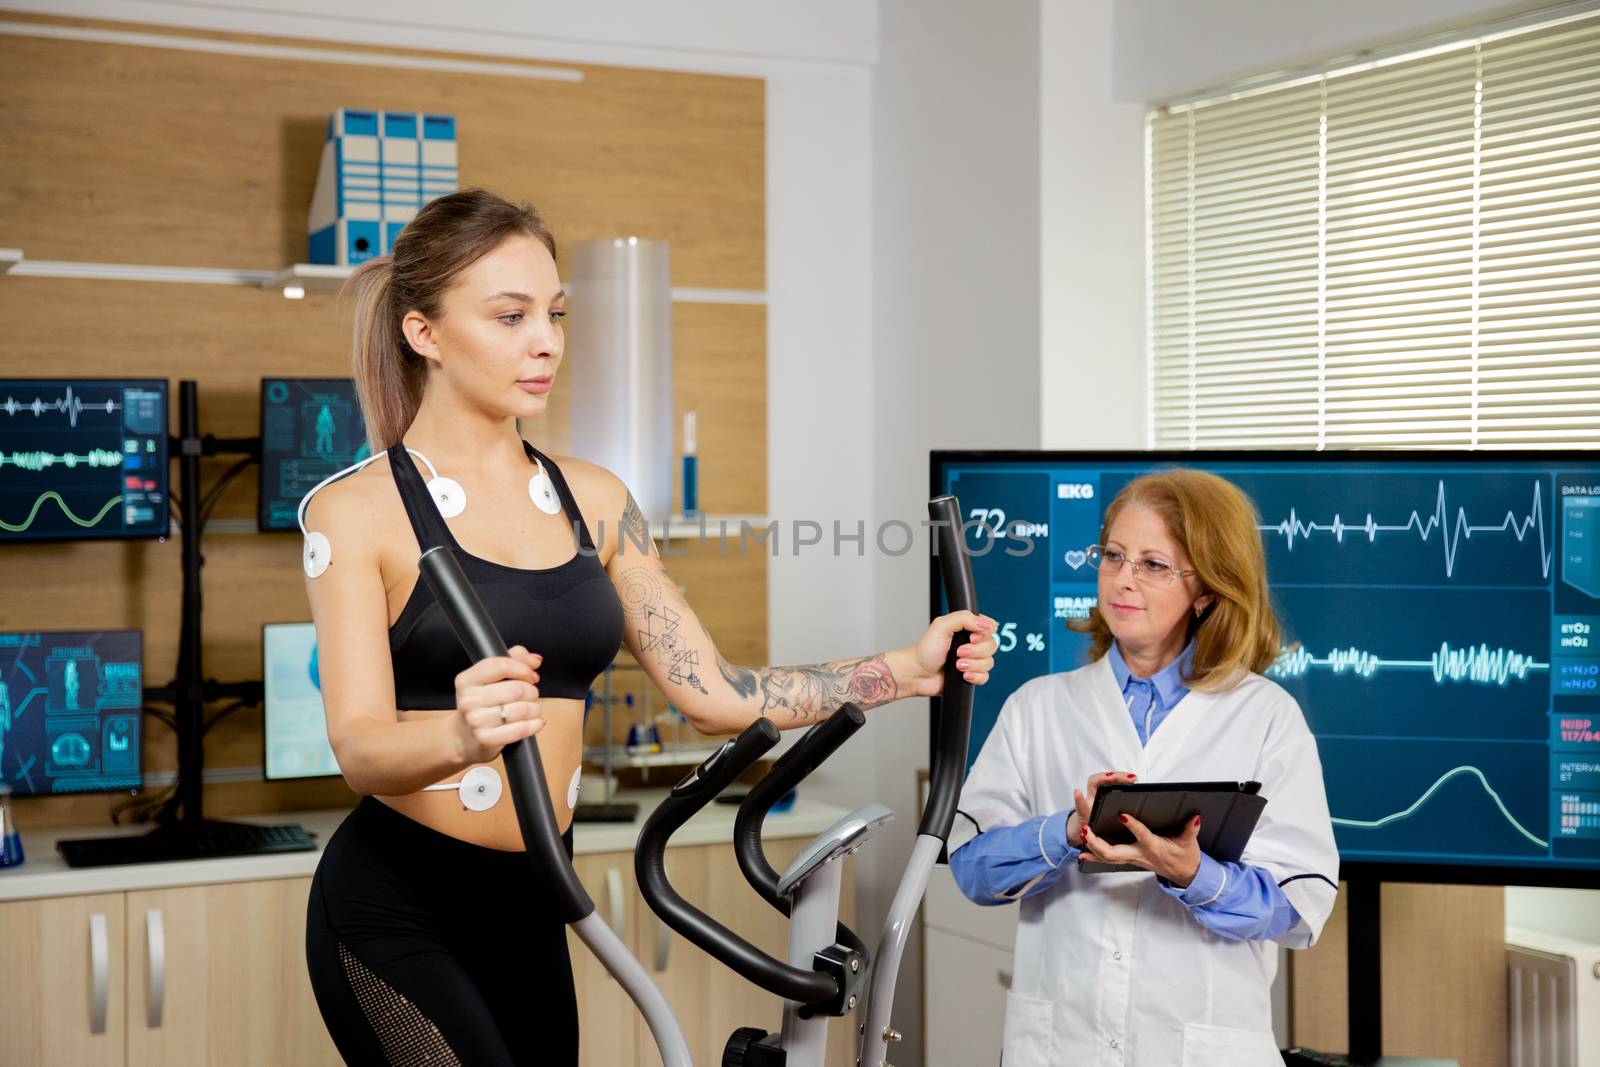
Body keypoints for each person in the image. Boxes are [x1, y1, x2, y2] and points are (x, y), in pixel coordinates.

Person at [299, 187, 998, 1066]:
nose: (546, 340)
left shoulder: (594, 497)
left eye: (553, 313)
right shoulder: (353, 511)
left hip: (535, 897)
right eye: (509, 316)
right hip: (395, 904)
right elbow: (360, 746)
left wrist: (904, 668)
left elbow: (714, 694)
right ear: (424, 333)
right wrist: (457, 731)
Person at [948, 468, 1338, 1067]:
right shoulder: (1038, 707)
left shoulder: (1265, 717)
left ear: (1205, 590)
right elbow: (971, 868)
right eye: (1113, 556)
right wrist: (1064, 833)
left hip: (1200, 1048)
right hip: (1061, 1047)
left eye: (1153, 565)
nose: (1122, 580)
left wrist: (1194, 875)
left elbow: (1300, 904)